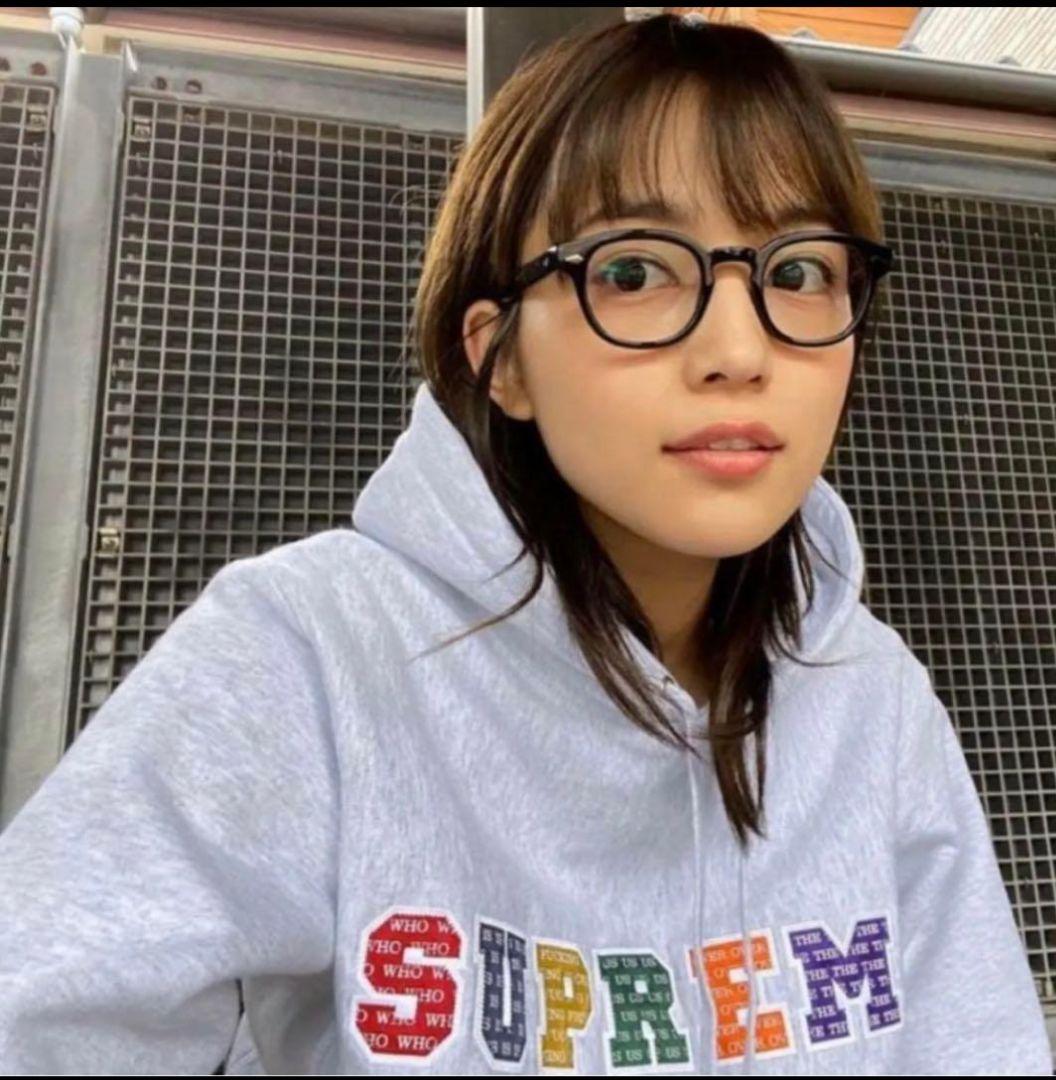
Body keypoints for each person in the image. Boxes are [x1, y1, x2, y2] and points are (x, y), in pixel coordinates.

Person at [0, 12, 1050, 1076]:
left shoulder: (871, 692)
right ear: (500, 355)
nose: (740, 350)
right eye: (634, 272)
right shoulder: (312, 652)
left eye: (799, 272)